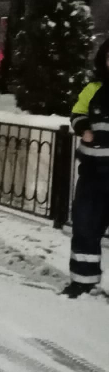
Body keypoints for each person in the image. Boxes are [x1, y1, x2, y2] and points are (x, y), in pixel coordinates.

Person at [64, 37, 109, 297]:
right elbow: (78, 112)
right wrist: (83, 127)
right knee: (85, 228)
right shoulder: (93, 88)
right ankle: (83, 281)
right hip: (92, 174)